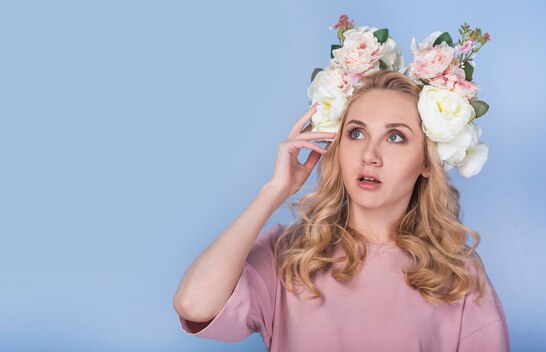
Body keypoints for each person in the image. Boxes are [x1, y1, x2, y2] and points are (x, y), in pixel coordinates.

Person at [172, 18, 510, 351]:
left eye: (395, 137)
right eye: (356, 133)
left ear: (426, 161)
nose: (370, 155)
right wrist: (273, 192)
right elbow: (193, 304)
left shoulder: (458, 274)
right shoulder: (289, 254)